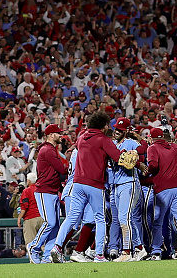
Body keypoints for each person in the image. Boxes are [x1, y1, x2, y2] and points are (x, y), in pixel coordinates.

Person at [51, 111, 135, 263]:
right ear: (103, 126)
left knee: (71, 217)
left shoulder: (81, 137)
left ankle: (56, 247)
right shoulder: (103, 139)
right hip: (94, 184)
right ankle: (99, 255)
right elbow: (118, 158)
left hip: (77, 183)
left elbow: (80, 146)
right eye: (107, 125)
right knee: (100, 219)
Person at [147, 127, 177, 260]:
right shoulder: (174, 148)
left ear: (152, 138)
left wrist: (146, 172)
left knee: (158, 221)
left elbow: (153, 166)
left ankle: (156, 251)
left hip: (163, 188)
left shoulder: (152, 148)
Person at [109, 117, 148, 262]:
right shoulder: (112, 144)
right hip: (116, 184)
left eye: (120, 129)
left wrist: (136, 154)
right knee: (126, 219)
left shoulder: (130, 142)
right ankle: (139, 249)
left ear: (125, 131)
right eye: (116, 128)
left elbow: (143, 148)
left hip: (130, 182)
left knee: (123, 218)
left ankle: (126, 252)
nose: (117, 131)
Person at [27, 124, 67, 264]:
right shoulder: (47, 149)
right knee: (50, 222)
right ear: (51, 135)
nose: (60, 135)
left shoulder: (50, 149)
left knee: (55, 225)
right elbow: (62, 170)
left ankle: (47, 257)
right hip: (44, 191)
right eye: (58, 133)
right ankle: (33, 247)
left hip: (52, 190)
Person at [17, 172, 43, 245]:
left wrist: (19, 218)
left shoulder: (27, 190)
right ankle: (46, 256)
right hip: (43, 217)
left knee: (30, 243)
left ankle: (33, 256)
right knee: (44, 244)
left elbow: (24, 206)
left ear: (28, 181)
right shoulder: (41, 189)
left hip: (30, 218)